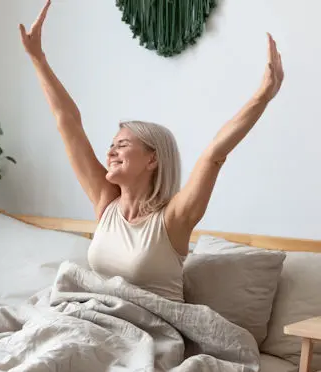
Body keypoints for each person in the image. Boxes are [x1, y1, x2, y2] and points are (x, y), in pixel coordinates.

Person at [19, 0, 284, 303]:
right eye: (111, 145)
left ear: (152, 159)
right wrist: (38, 59)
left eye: (123, 144)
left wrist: (263, 96)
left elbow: (214, 154)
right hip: (98, 318)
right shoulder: (106, 204)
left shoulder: (174, 218)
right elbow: (68, 124)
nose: (111, 153)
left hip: (151, 329)